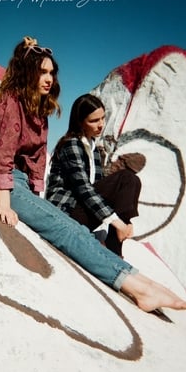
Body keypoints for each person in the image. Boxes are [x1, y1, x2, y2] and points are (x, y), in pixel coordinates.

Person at [0, 36, 186, 313]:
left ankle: (144, 282)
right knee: (67, 230)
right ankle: (138, 287)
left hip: (18, 187)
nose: (49, 78)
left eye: (51, 72)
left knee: (78, 229)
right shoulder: (11, 101)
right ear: (26, 73)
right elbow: (1, 156)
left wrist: (34, 201)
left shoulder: (39, 112)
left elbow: (35, 163)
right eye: (42, 72)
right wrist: (5, 205)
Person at [46, 93, 144, 257]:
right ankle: (115, 246)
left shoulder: (95, 150)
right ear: (80, 122)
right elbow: (84, 188)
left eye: (103, 118)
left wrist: (124, 220)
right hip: (64, 212)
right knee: (125, 178)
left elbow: (99, 188)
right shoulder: (71, 144)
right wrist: (117, 222)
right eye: (94, 121)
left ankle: (115, 246)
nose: (101, 125)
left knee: (132, 180)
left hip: (80, 210)